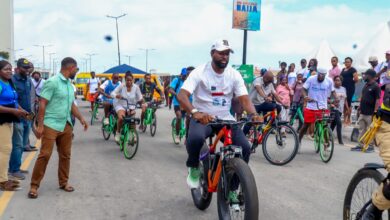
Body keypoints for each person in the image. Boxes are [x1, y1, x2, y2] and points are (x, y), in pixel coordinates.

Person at [177, 40, 261, 195]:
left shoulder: (233, 74)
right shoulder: (199, 72)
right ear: (212, 53)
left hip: (225, 119)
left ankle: (233, 187)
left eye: (227, 53)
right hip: (203, 117)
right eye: (221, 53)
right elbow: (182, 95)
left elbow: (244, 98)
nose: (224, 56)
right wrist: (195, 112)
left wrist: (253, 114)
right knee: (194, 139)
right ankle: (194, 167)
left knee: (245, 148)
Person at [28, 57, 88, 199]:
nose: (76, 72)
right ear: (70, 67)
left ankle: (63, 182)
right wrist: (40, 125)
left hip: (66, 125)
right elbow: (42, 103)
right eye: (76, 69)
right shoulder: (52, 82)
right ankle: (34, 186)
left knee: (65, 155)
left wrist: (81, 118)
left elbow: (71, 105)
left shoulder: (68, 84)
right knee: (45, 155)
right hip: (51, 125)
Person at [0, 60, 28, 191]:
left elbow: (14, 100)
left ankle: (4, 176)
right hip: (2, 119)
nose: (9, 71)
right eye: (6, 69)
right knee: (5, 149)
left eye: (10, 69)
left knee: (6, 149)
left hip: (11, 119)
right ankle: (2, 181)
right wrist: (14, 111)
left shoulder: (9, 82)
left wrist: (21, 110)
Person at [8, 58, 35, 181]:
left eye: (28, 67)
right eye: (25, 68)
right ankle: (14, 170)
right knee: (17, 144)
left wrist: (32, 115)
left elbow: (30, 98)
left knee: (24, 144)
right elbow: (11, 100)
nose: (28, 70)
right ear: (18, 68)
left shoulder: (28, 80)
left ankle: (16, 166)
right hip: (17, 116)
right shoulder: (11, 80)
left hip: (28, 116)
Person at [298, 68, 337, 143]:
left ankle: (326, 143)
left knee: (324, 125)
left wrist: (336, 98)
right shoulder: (311, 79)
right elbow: (303, 89)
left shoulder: (329, 81)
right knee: (306, 125)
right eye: (320, 75)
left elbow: (333, 91)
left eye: (323, 75)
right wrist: (306, 97)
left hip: (323, 106)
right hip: (311, 105)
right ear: (318, 74)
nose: (321, 77)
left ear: (325, 75)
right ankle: (299, 140)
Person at [350, 69, 380, 153]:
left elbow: (377, 100)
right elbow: (363, 97)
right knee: (361, 129)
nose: (364, 76)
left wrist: (375, 111)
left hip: (370, 113)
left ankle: (370, 146)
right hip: (363, 112)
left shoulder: (376, 86)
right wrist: (360, 106)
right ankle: (360, 145)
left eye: (365, 75)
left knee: (370, 130)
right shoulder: (366, 85)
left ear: (370, 76)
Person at [111, 72, 143, 143]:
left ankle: (133, 135)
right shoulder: (121, 86)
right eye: (127, 80)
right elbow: (112, 93)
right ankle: (118, 133)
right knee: (121, 118)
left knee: (132, 120)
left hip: (131, 106)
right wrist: (116, 96)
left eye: (130, 80)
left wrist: (142, 102)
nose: (129, 82)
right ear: (125, 80)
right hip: (120, 104)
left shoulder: (136, 87)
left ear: (133, 80)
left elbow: (140, 97)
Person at [169, 67, 194, 143]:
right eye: (185, 75)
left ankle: (187, 137)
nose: (185, 77)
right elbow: (170, 89)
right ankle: (177, 135)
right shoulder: (177, 80)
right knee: (179, 117)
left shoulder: (192, 82)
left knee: (189, 119)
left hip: (188, 104)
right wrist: (176, 95)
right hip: (178, 103)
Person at [340, 57, 359, 125]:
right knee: (344, 104)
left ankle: (348, 119)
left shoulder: (353, 69)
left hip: (349, 88)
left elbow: (356, 79)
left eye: (348, 62)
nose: (347, 63)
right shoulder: (343, 69)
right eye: (346, 62)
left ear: (351, 62)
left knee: (348, 104)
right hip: (343, 88)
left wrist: (350, 82)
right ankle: (344, 119)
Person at [330, 76, 347, 145]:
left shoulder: (343, 89)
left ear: (341, 82)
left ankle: (327, 135)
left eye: (339, 80)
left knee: (333, 124)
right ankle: (340, 141)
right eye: (336, 80)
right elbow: (328, 98)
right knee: (339, 123)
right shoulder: (332, 89)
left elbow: (345, 99)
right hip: (334, 108)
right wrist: (332, 102)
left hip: (340, 109)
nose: (337, 82)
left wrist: (347, 108)